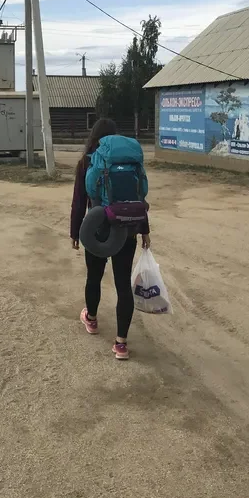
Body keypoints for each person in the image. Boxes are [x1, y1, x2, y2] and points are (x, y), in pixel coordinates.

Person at [70, 118, 150, 360]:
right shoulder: (129, 161)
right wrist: (144, 229)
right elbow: (138, 197)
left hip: (98, 228)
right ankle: (121, 344)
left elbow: (79, 201)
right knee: (123, 283)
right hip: (126, 228)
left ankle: (92, 320)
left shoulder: (87, 161)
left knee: (93, 277)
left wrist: (75, 232)